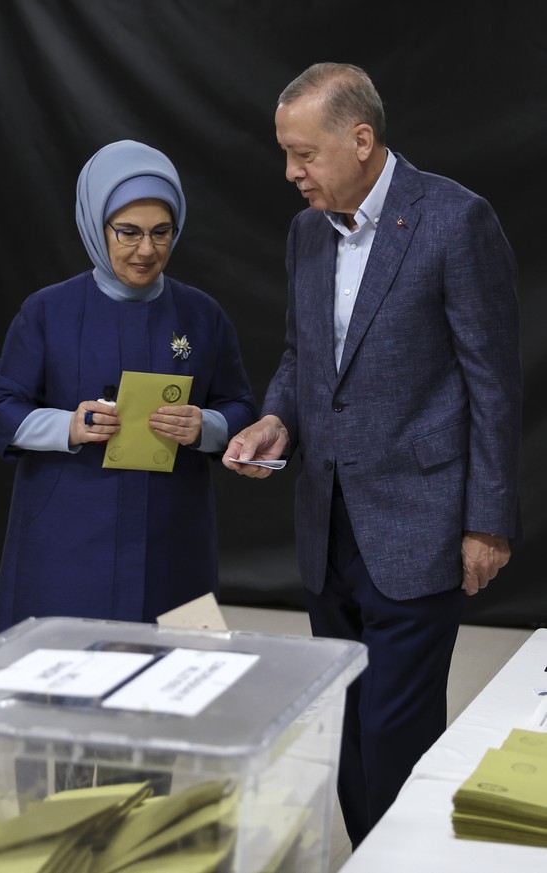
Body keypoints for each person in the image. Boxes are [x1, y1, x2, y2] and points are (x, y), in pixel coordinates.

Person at [223, 63, 523, 849]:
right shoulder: (304, 234)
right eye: (286, 154)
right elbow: (301, 355)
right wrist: (274, 420)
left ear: (361, 140)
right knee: (345, 729)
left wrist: (487, 523)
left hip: (419, 524)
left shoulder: (455, 221)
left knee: (396, 733)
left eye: (303, 154)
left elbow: (494, 384)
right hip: (327, 524)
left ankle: (409, 858)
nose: (290, 173)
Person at [0, 139, 258, 639]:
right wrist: (68, 424)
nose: (147, 250)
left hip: (173, 535)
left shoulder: (202, 315)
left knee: (171, 682)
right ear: (94, 224)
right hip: (68, 534)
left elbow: (239, 406)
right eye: (127, 232)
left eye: (161, 232)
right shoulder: (48, 311)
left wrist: (206, 426)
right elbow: (0, 406)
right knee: (58, 680)